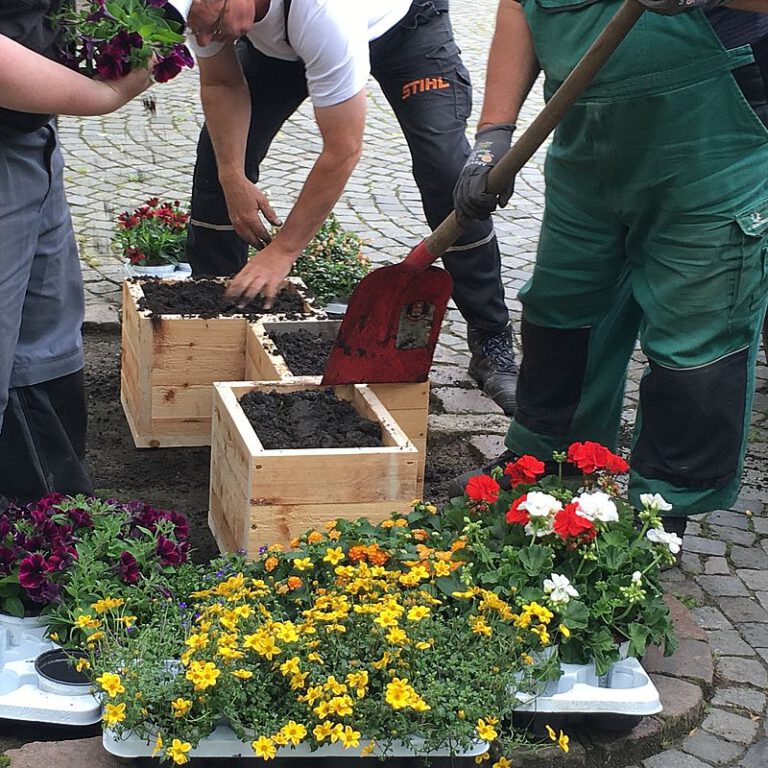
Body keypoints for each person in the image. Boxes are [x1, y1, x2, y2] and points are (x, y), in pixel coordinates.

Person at [450, 0, 768, 539]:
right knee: (563, 305)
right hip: (588, 133)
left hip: (712, 137)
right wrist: (492, 134)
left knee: (696, 331)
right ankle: (549, 462)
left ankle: (662, 512)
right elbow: (521, 5)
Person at [184, 0, 519, 415]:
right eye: (193, 25)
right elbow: (220, 85)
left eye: (211, 24)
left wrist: (283, 251)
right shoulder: (206, 12)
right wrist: (232, 176)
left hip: (405, 30)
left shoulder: (324, 13)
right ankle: (212, 318)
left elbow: (343, 148)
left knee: (448, 173)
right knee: (217, 157)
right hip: (286, 47)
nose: (201, 39)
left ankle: (492, 339)